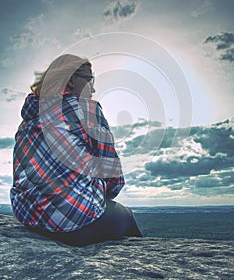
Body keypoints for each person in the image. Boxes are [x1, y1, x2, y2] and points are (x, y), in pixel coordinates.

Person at [10, 54, 142, 246]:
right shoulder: (87, 110)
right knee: (126, 215)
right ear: (71, 80)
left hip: (29, 216)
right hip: (74, 225)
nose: (93, 88)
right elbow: (113, 176)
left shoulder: (27, 121)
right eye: (90, 79)